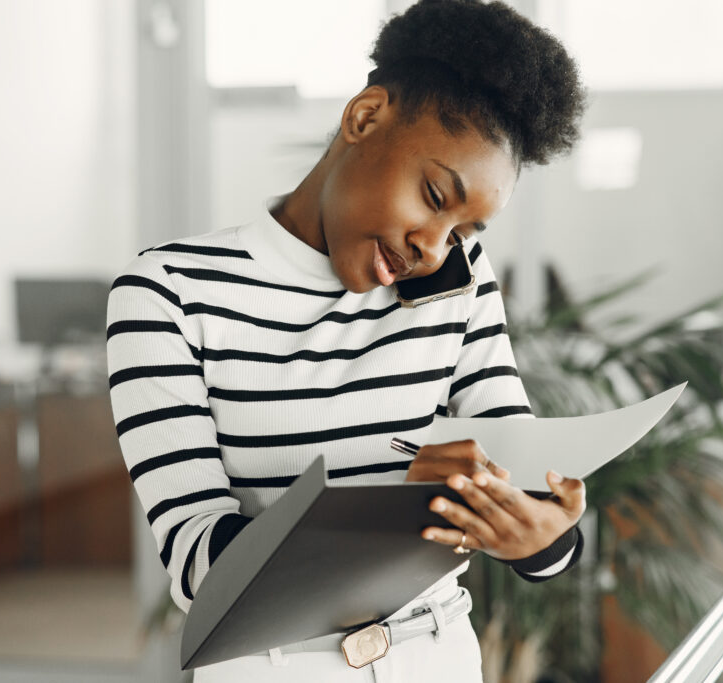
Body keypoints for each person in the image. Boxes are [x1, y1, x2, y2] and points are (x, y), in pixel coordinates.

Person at [106, 1, 589, 680]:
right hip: (276, 666)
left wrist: (545, 534)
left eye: (461, 231)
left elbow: (517, 463)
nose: (432, 245)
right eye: (432, 194)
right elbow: (199, 561)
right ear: (365, 117)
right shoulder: (170, 292)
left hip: (439, 653)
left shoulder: (456, 284)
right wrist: (401, 511)